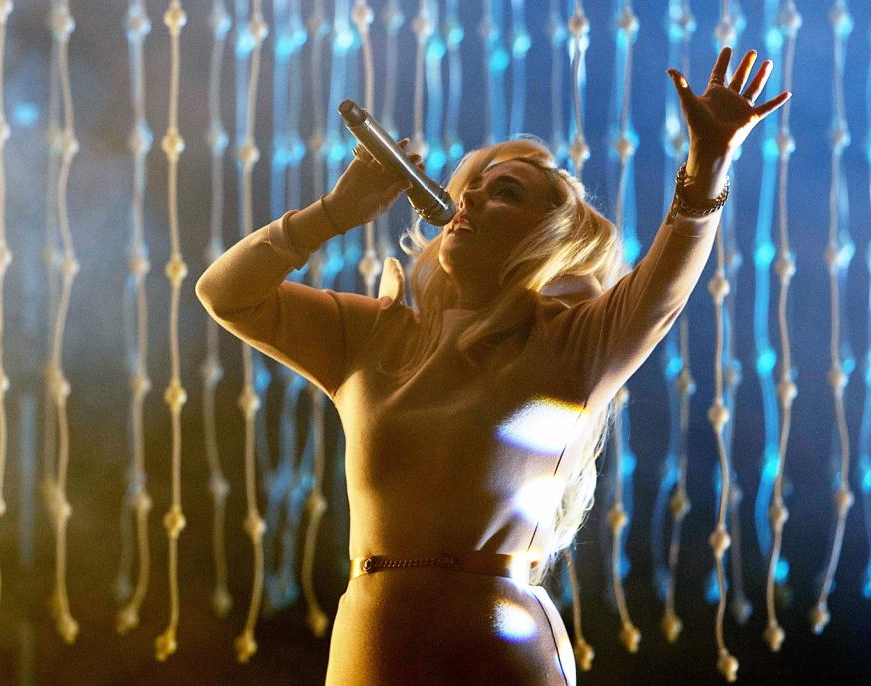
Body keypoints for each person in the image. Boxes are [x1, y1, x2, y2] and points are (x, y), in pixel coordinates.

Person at [196, 47, 789, 686]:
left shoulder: (573, 342)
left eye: (503, 193)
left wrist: (705, 170)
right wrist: (336, 212)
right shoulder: (374, 334)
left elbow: (665, 287)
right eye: (466, 189)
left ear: (548, 237)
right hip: (371, 646)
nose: (469, 201)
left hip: (498, 648)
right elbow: (226, 293)